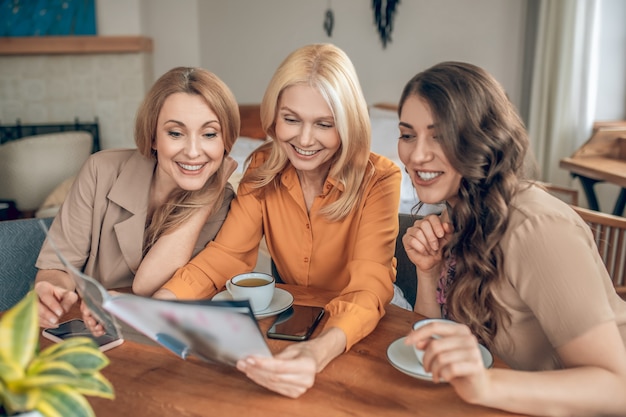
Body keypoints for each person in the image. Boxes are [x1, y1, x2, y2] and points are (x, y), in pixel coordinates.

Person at [154, 43, 402, 398]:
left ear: (347, 124)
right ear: (273, 116)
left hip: (358, 322)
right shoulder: (261, 166)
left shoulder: (380, 178)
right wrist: (162, 302)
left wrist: (318, 351)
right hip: (292, 320)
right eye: (291, 119)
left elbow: (368, 286)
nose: (303, 139)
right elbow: (227, 255)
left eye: (324, 124)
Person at [399, 61, 626, 416]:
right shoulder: (456, 212)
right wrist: (428, 274)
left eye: (440, 134)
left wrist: (485, 385)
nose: (416, 155)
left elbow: (616, 388)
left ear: (482, 139)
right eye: (408, 134)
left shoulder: (536, 228)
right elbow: (436, 349)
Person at [35, 66, 240, 331]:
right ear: (153, 137)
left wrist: (207, 197)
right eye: (175, 133)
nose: (192, 151)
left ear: (226, 142)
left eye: (210, 134)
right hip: (94, 330)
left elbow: (150, 285)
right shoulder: (100, 170)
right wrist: (52, 291)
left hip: (165, 336)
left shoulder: (222, 202)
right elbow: (57, 267)